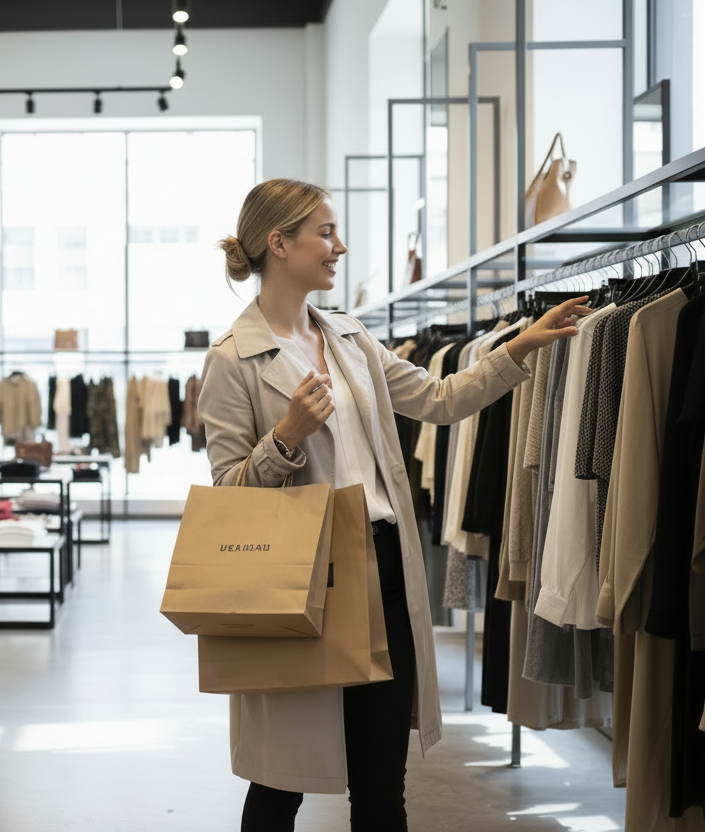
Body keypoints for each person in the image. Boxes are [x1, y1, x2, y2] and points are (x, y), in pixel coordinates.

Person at [198, 178, 590, 832]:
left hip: (380, 568)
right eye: (325, 232)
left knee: (382, 782)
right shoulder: (233, 360)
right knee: (282, 781)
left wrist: (522, 345)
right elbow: (228, 498)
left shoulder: (350, 339)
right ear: (278, 242)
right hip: (302, 580)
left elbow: (441, 399)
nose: (339, 246)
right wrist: (286, 438)